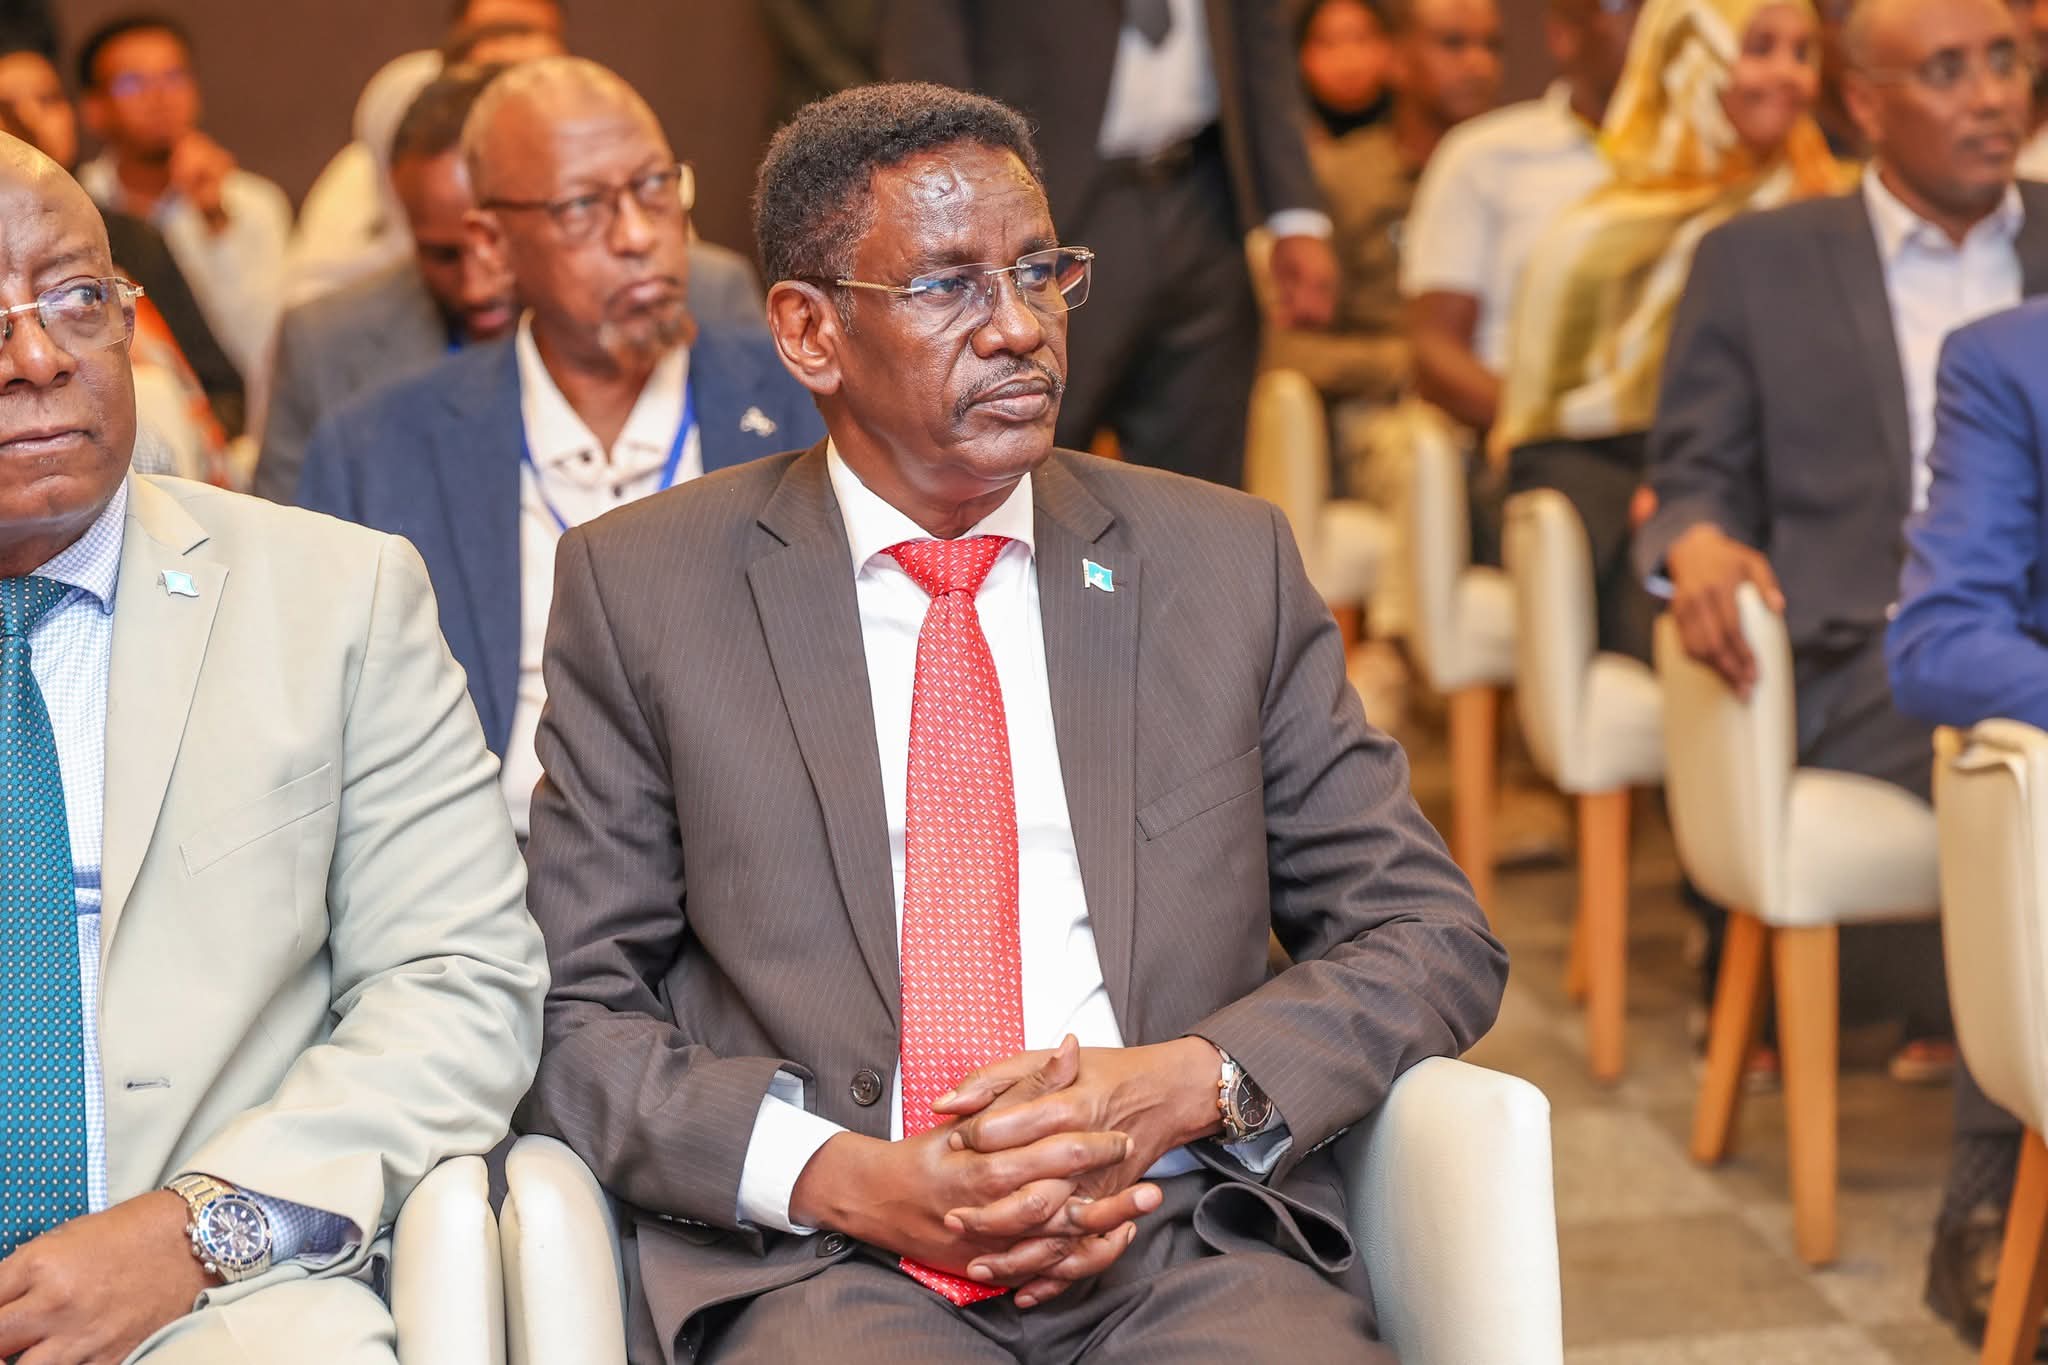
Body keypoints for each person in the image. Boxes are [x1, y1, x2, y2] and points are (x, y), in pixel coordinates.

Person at [515, 80, 1504, 1364]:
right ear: (809, 332)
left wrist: (1185, 1084)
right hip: (831, 1267)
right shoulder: (647, 589)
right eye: (947, 286)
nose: (1019, 328)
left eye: (1039, 273)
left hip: (1181, 1239)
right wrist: (842, 1176)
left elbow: (1428, 932)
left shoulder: (1217, 563)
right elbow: (571, 1009)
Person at [0, 133, 546, 1362]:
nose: (37, 359)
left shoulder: (334, 599)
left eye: (77, 298)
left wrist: (198, 1229)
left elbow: (459, 985)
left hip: (220, 1302)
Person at [1635, 0, 2048, 1343]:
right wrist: (1693, 538)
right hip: (1860, 652)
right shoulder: (1760, 259)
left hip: (2023, 641)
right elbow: (1690, 470)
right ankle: (1990, 1200)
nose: (1990, 95)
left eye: (2005, 60)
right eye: (1946, 70)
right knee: (2011, 768)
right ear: (1862, 101)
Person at [296, 58, 822, 837]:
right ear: (492, 243)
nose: (639, 236)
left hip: (755, 857)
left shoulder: (808, 406)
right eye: (582, 207)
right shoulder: (377, 449)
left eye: (655, 187)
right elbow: (317, 739)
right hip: (497, 867)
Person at [1499, 0, 1840, 665]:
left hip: (1819, 505)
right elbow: (1543, 445)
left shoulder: (1838, 211)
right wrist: (1679, 508)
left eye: (1804, 53)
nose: (1789, 75)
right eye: (1759, 48)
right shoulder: (1595, 238)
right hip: (1641, 511)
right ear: (1689, 58)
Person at [882, 0, 1341, 489]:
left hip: (1207, 195)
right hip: (1043, 202)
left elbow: (1260, 38)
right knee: (1022, 457)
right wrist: (954, 202)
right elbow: (925, 43)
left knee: (1200, 480)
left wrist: (1295, 215)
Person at [255, 64, 520, 505]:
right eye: (443, 255)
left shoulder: (620, 324)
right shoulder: (322, 345)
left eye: (495, 242)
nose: (477, 287)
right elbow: (277, 533)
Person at [1401, 0, 1640, 443]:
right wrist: (1547, 423)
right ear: (1564, 34)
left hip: (1679, 435)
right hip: (1532, 434)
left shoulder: (1718, 159)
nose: (1653, 22)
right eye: (1624, 6)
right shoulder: (1484, 156)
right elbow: (1435, 351)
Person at [1266, 0, 1503, 423]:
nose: (1478, 65)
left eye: (1492, 46)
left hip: (1514, 390)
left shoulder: (1520, 173)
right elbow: (1287, 350)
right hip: (1394, 410)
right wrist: (1423, 367)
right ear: (1395, 59)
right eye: (1453, 44)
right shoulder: (1341, 182)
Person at [0, 38, 243, 440]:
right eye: (7, 107)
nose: (29, 121)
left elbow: (221, 389)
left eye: (47, 100)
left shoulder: (128, 237)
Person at [75, 14, 293, 392]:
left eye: (174, 77)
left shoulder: (252, 204)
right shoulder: (75, 205)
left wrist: (215, 222)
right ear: (94, 109)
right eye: (132, 83)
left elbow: (266, 355)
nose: (160, 97)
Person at [1296, 0, 1395, 138]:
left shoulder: (1415, 136)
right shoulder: (1286, 135)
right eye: (1328, 43)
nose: (1347, 60)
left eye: (1361, 39)